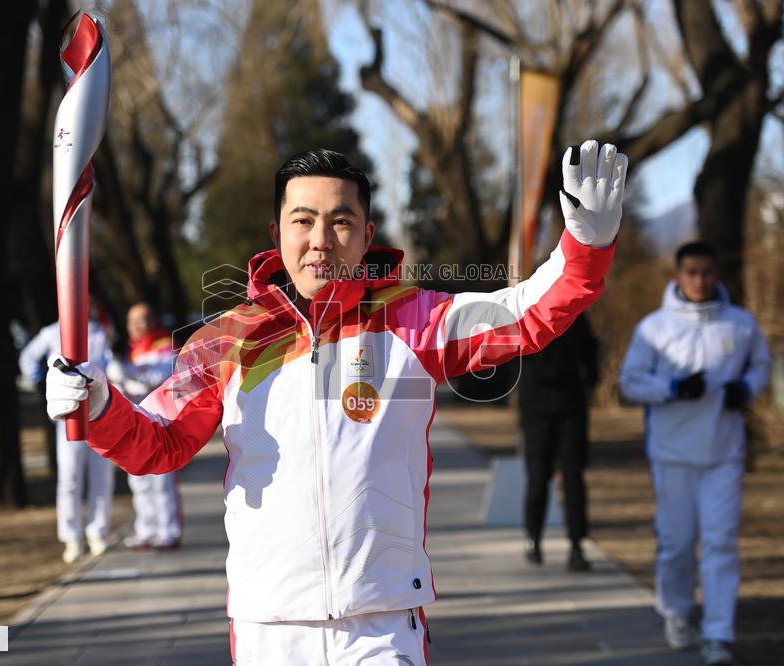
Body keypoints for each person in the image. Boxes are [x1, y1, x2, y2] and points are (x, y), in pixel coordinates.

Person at [47, 141, 627, 663]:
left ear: (367, 235)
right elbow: (159, 442)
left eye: (340, 220)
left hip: (380, 623)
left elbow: (523, 314)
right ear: (277, 233)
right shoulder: (226, 339)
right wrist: (100, 405)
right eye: (303, 220)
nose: (321, 239)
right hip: (270, 623)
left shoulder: (413, 320)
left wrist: (585, 245)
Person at [619, 241, 771, 666]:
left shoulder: (740, 325)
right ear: (677, 276)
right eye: (692, 272)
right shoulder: (654, 328)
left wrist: (746, 388)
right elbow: (630, 381)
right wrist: (670, 389)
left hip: (724, 451)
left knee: (721, 542)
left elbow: (761, 365)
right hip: (672, 453)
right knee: (677, 543)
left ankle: (719, 635)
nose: (700, 280)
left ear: (716, 274)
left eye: (707, 272)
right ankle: (677, 612)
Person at [19, 318, 115, 564]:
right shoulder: (52, 332)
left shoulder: (99, 332)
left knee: (101, 475)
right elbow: (28, 357)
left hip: (100, 415)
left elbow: (111, 364)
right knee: (70, 478)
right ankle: (72, 537)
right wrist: (39, 382)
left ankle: (97, 533)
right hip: (69, 417)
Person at [517, 312, 599, 571]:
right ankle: (533, 537)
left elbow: (590, 350)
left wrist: (590, 381)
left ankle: (576, 544)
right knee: (538, 475)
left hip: (570, 404)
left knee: (573, 476)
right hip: (536, 406)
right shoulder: (528, 310)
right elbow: (512, 355)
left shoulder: (575, 314)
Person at [107, 303, 183, 550]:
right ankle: (146, 530)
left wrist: (126, 372)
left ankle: (169, 531)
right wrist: (119, 371)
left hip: (161, 422)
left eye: (142, 319)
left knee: (162, 480)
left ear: (152, 320)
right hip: (133, 424)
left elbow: (155, 379)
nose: (136, 325)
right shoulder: (125, 351)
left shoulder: (165, 347)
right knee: (138, 480)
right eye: (132, 321)